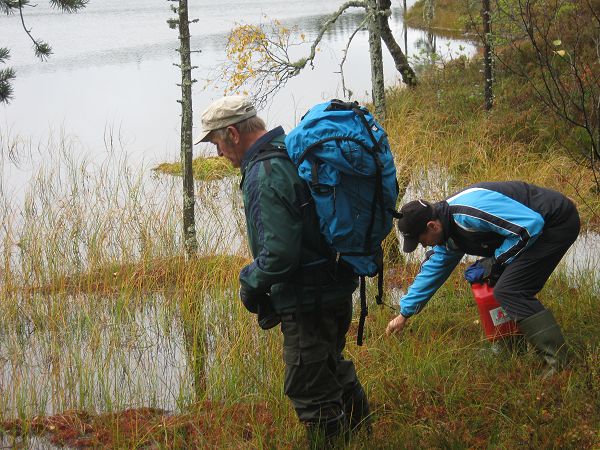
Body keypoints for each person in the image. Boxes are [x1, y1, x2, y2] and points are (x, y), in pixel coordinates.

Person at [195, 96, 371, 447]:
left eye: (216, 143)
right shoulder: (291, 148)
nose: (217, 154)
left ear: (232, 133)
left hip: (308, 299)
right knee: (330, 367)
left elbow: (278, 255)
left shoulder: (264, 171)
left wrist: (249, 282)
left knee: (309, 389)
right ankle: (364, 439)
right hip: (335, 286)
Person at [385, 181, 580, 373]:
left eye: (421, 241)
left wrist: (496, 262)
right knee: (490, 280)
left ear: (432, 226)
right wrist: (404, 314)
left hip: (554, 224)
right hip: (533, 229)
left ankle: (559, 364)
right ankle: (510, 348)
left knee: (510, 291)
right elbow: (432, 272)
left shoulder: (468, 212)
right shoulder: (446, 232)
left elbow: (530, 226)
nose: (424, 246)